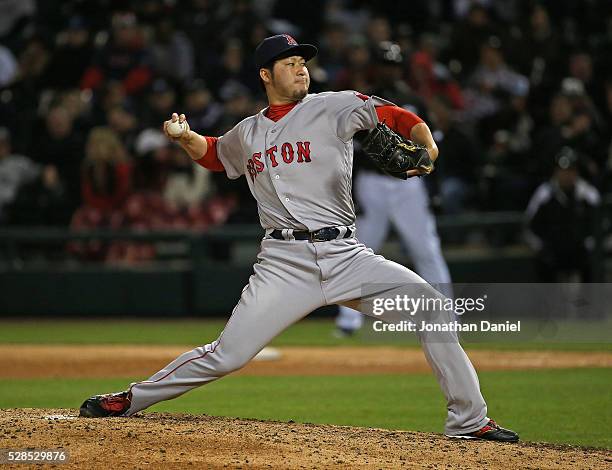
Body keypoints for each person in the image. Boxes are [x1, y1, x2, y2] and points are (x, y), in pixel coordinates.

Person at [79, 34, 519, 443]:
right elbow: (215, 155)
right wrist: (185, 138)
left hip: (346, 255)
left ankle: (469, 421)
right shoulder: (247, 132)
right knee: (226, 355)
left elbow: (400, 117)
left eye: (302, 62)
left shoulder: (336, 106)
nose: (301, 69)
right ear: (266, 76)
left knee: (431, 309)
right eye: (288, 64)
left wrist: (429, 150)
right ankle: (132, 399)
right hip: (284, 265)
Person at [335, 41, 453, 336]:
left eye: (394, 65)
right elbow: (348, 154)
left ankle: (447, 317)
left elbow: (431, 149)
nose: (390, 71)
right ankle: (349, 320)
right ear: (376, 68)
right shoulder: (361, 103)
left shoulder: (413, 101)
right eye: (385, 66)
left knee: (426, 248)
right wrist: (350, 194)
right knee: (355, 252)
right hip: (371, 184)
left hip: (409, 185)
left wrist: (434, 189)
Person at [525, 147, 601, 282]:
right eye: (563, 171)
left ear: (576, 172)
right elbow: (530, 225)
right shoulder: (544, 194)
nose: (567, 175)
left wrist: (589, 244)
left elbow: (597, 225)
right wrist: (540, 247)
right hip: (552, 253)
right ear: (556, 172)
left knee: (590, 264)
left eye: (571, 171)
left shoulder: (588, 195)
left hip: (579, 252)